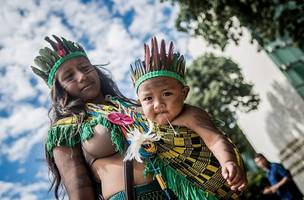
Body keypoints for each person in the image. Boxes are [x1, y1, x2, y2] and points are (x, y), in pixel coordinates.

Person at [31, 35, 226, 200]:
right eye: (69, 77)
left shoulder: (139, 105)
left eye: (85, 67)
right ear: (59, 89)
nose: (82, 76)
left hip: (179, 191)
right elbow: (80, 190)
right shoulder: (64, 130)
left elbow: (191, 120)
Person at [127, 37, 247, 199]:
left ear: (184, 93)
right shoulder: (143, 121)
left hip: (221, 183)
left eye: (166, 94)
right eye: (148, 99)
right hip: (190, 191)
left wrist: (228, 162)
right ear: (139, 102)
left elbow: (215, 140)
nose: (158, 104)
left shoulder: (191, 115)